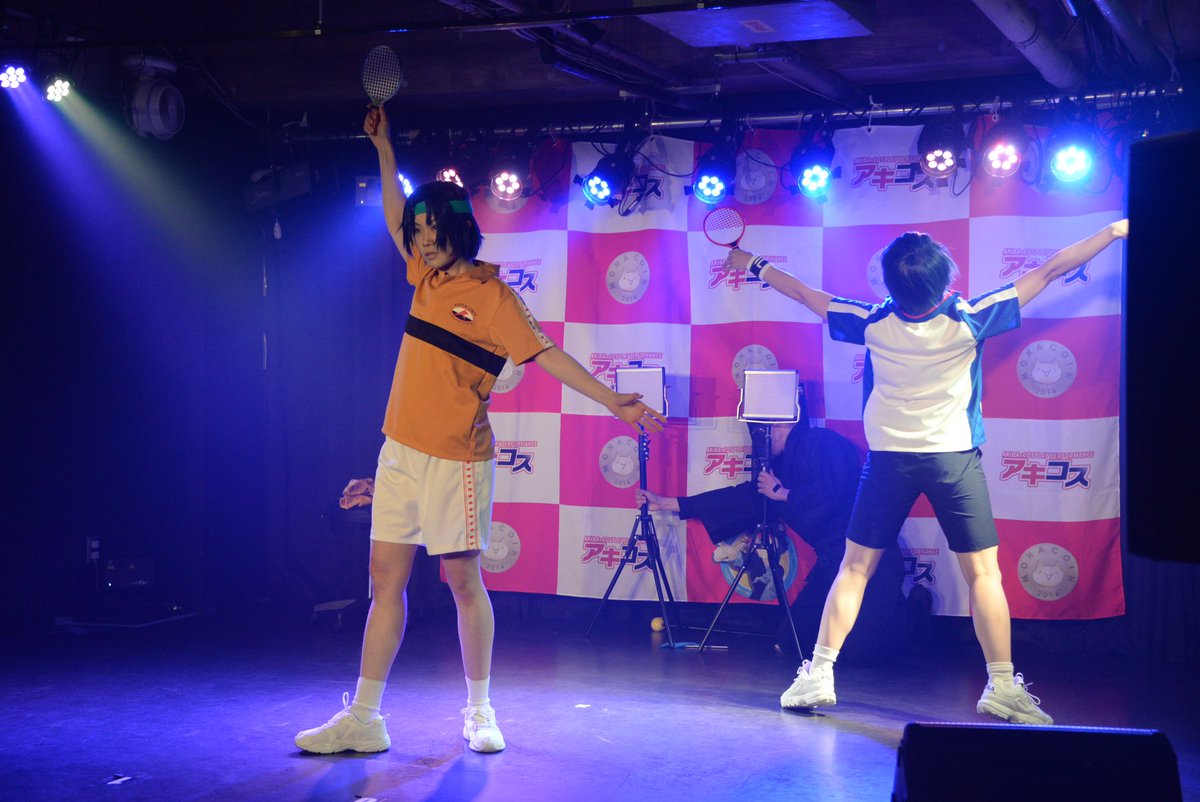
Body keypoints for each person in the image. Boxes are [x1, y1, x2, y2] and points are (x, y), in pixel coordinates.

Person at [295, 104, 666, 756]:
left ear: (460, 229)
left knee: (464, 584)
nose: (422, 239)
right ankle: (365, 717)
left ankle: (479, 710)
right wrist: (384, 149)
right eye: (418, 230)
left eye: (433, 228)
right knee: (384, 583)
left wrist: (614, 402)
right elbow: (392, 213)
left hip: (458, 461)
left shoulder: (495, 299)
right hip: (398, 453)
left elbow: (548, 356)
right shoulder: (423, 276)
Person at [727, 219, 1128, 724]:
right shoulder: (969, 318)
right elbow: (1049, 271)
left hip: (889, 461)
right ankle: (1002, 686)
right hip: (952, 462)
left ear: (891, 285)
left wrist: (753, 263)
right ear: (944, 280)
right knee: (983, 573)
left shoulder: (871, 321)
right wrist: (1111, 233)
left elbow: (803, 292)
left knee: (854, 569)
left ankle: (818, 675)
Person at [636, 411, 930, 662]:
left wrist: (786, 494)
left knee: (864, 650)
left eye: (763, 430)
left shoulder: (824, 443)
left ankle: (917, 605)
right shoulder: (778, 471)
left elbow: (836, 496)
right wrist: (668, 503)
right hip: (832, 566)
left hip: (871, 562)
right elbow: (740, 501)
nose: (759, 440)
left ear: (784, 423)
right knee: (793, 641)